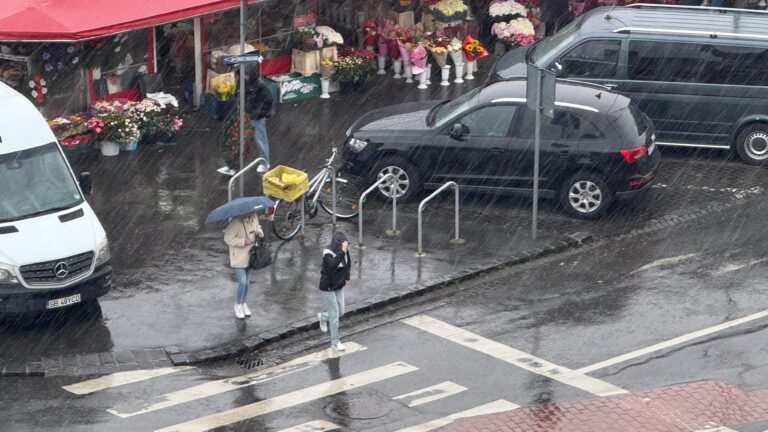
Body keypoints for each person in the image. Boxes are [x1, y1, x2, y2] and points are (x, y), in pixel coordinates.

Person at [223, 212, 264, 319]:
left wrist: (259, 232)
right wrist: (242, 241)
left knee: (247, 282)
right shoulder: (236, 222)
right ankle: (237, 304)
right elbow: (227, 238)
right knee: (243, 281)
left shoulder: (254, 217)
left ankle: (243, 303)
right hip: (238, 257)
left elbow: (257, 227)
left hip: (250, 256)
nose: (251, 213)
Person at [317, 231, 351, 351]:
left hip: (338, 286)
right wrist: (342, 252)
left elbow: (347, 263)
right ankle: (335, 342)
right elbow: (332, 266)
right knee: (335, 314)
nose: (345, 248)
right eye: (342, 246)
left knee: (341, 312)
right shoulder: (327, 253)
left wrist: (346, 277)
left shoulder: (344, 251)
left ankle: (323, 317)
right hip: (327, 287)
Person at [245, 72, 274, 173]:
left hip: (257, 117)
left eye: (246, 74)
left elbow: (268, 100)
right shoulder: (247, 82)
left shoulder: (260, 85)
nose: (245, 76)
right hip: (250, 114)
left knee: (260, 139)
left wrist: (258, 113)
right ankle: (234, 163)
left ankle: (265, 163)